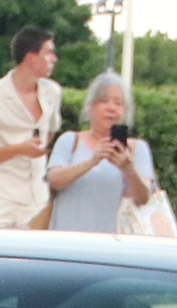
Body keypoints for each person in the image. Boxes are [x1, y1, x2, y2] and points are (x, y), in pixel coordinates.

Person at [0, 27, 60, 232]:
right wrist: (20, 149)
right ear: (30, 57)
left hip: (36, 196)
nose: (54, 58)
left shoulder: (52, 92)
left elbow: (51, 130)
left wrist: (38, 149)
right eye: (48, 52)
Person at [45, 71, 151, 234]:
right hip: (65, 243)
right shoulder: (70, 141)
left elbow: (143, 198)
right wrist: (92, 161)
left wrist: (128, 168)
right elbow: (54, 180)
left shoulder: (137, 150)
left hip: (110, 246)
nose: (111, 108)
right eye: (103, 101)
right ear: (91, 107)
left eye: (118, 103)